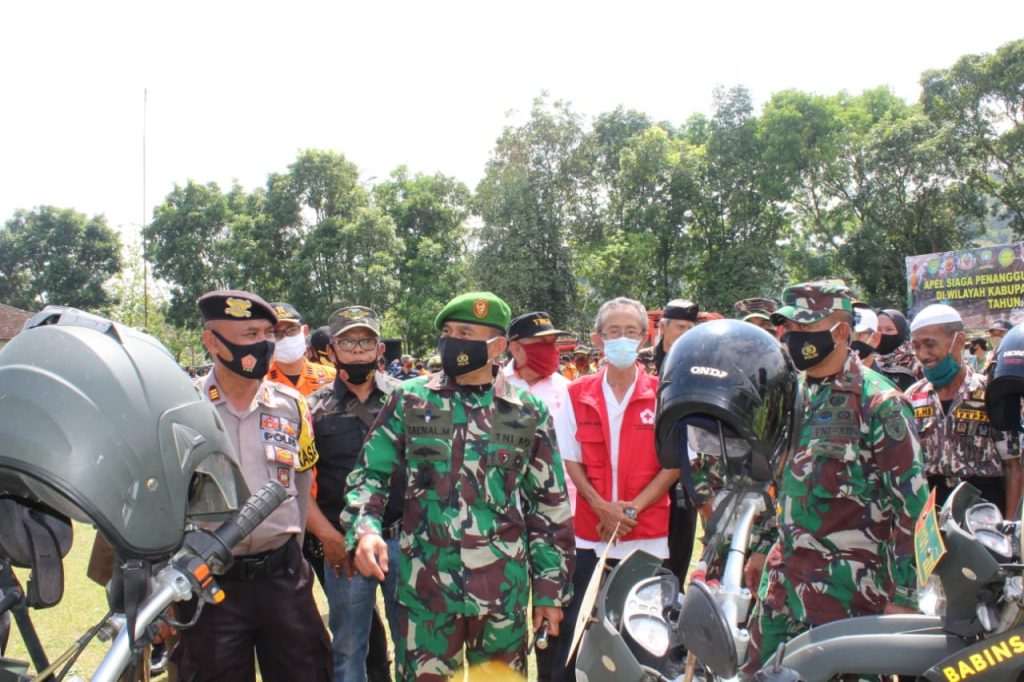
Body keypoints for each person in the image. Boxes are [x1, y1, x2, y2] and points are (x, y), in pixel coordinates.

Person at [345, 292, 575, 681]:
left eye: (464, 332)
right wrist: (364, 529)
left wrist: (551, 591)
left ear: (498, 346)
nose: (451, 341)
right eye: (448, 332)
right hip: (427, 593)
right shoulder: (411, 400)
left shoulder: (525, 411)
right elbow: (369, 475)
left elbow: (548, 505)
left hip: (502, 595)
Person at [744, 280, 928, 672]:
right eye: (787, 329)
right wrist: (761, 546)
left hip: (849, 598)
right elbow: (778, 482)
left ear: (841, 332)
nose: (791, 338)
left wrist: (906, 598)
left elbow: (913, 507)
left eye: (804, 329)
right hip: (782, 589)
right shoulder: (791, 395)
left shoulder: (880, 404)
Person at [173, 289, 331, 682]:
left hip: (283, 578)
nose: (263, 344)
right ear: (212, 341)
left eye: (267, 333)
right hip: (210, 586)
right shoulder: (180, 410)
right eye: (248, 334)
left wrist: (291, 553)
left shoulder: (292, 405)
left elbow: (303, 478)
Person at [553, 296, 679, 682]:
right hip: (591, 536)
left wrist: (630, 510)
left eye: (631, 332)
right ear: (598, 338)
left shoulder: (663, 394)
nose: (622, 339)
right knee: (584, 634)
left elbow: (673, 464)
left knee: (645, 641)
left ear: (645, 337)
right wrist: (601, 506)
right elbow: (571, 460)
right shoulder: (575, 394)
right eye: (613, 332)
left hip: (646, 537)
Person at [307, 306, 403, 682]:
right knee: (348, 648)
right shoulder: (312, 409)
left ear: (380, 349)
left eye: (366, 342)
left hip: (402, 539)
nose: (358, 350)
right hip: (343, 545)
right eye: (349, 342)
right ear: (331, 350)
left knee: (412, 642)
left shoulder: (407, 399)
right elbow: (298, 486)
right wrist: (327, 537)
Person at [502, 311, 576, 681]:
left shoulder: (567, 391)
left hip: (554, 525)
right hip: (502, 529)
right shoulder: (493, 388)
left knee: (554, 612)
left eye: (552, 342)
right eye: (540, 344)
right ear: (514, 348)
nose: (551, 349)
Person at [906, 304, 1021, 516]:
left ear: (958, 341)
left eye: (930, 344)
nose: (922, 354)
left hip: (982, 507)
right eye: (916, 346)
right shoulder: (912, 397)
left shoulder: (991, 393)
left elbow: (1015, 466)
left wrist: (1011, 527)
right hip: (931, 507)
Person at [267, 302, 336, 396]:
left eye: (291, 330)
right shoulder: (261, 383)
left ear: (305, 331)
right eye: (276, 333)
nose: (285, 338)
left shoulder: (332, 377)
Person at [874, 308, 919, 391]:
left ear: (902, 332)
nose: (882, 334)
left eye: (889, 329)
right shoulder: (869, 362)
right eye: (878, 329)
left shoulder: (917, 364)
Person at [652, 299, 698, 374]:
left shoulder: (698, 362)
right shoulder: (642, 360)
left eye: (690, 329)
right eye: (681, 327)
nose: (686, 334)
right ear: (662, 326)